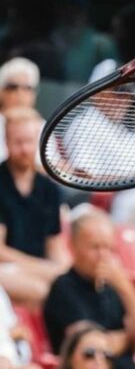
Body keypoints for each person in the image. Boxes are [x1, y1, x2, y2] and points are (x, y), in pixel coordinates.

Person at [43, 210, 135, 369]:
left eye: (108, 248)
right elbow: (91, 348)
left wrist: (127, 289)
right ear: (72, 246)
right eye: (95, 247)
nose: (103, 255)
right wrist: (128, 337)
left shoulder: (114, 289)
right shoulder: (64, 288)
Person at [0, 107, 67, 306]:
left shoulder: (50, 189)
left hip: (38, 269)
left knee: (69, 288)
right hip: (7, 269)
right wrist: (48, 270)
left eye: (29, 141)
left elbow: (55, 246)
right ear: (7, 142)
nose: (25, 149)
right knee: (44, 291)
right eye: (18, 142)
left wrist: (63, 272)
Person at [0, 58, 39, 161]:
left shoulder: (44, 126)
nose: (20, 93)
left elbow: (58, 167)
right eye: (13, 87)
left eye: (27, 88)